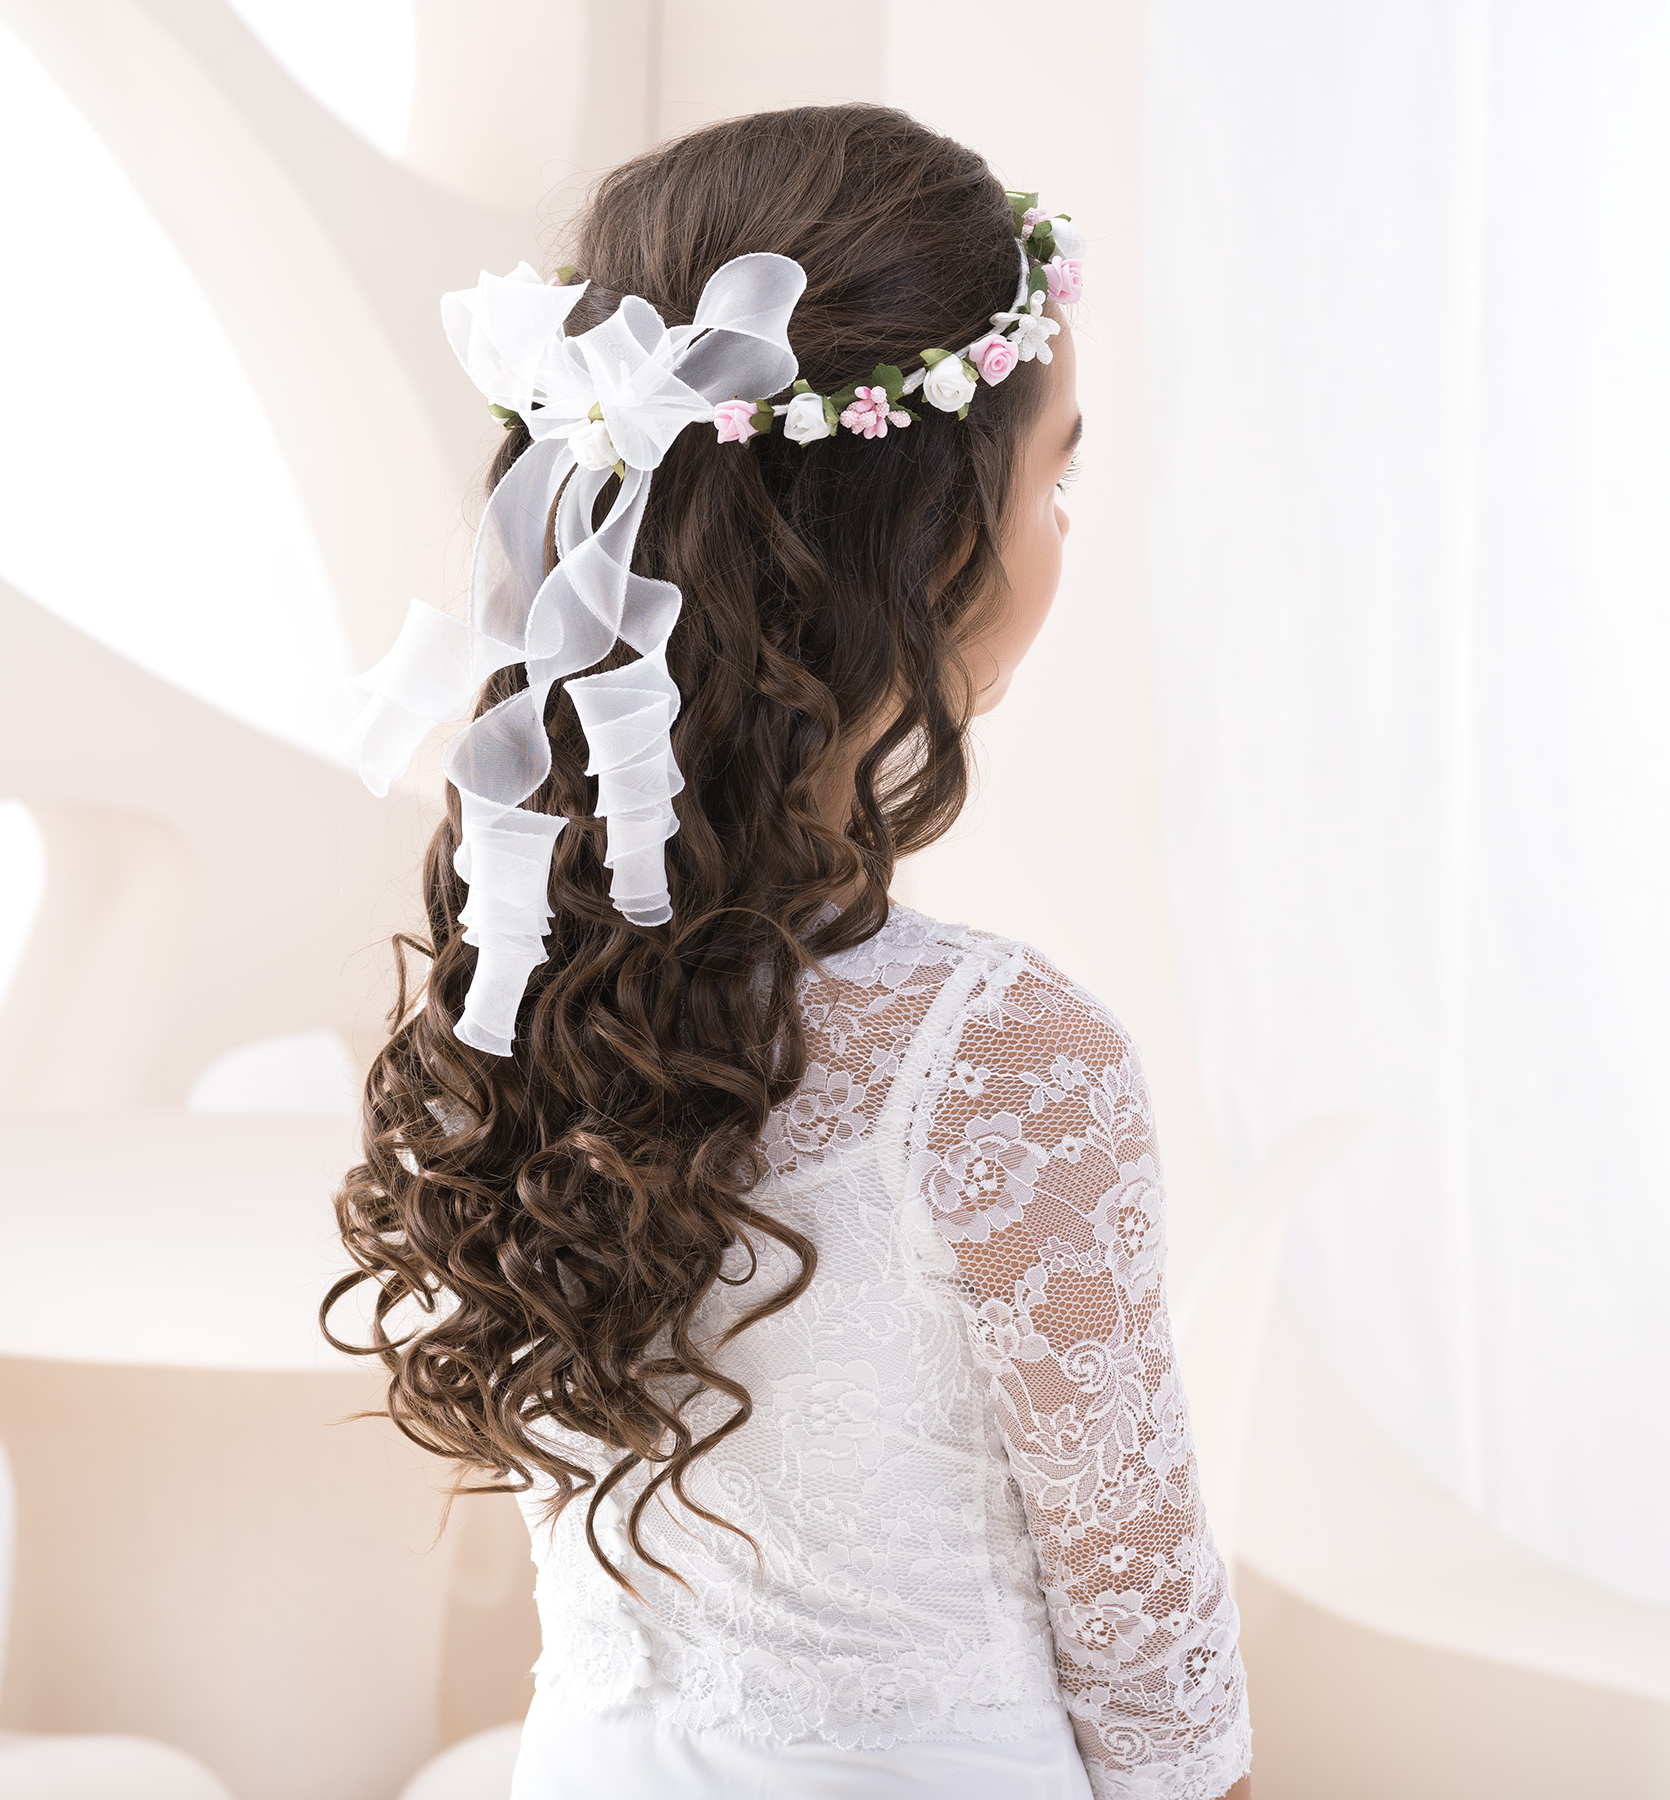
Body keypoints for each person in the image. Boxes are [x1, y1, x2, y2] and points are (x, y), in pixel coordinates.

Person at [328, 104, 1252, 1800]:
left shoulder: (518, 972)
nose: (1063, 530)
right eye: (1056, 481)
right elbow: (1151, 1662)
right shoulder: (1000, 1058)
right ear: (939, 548)